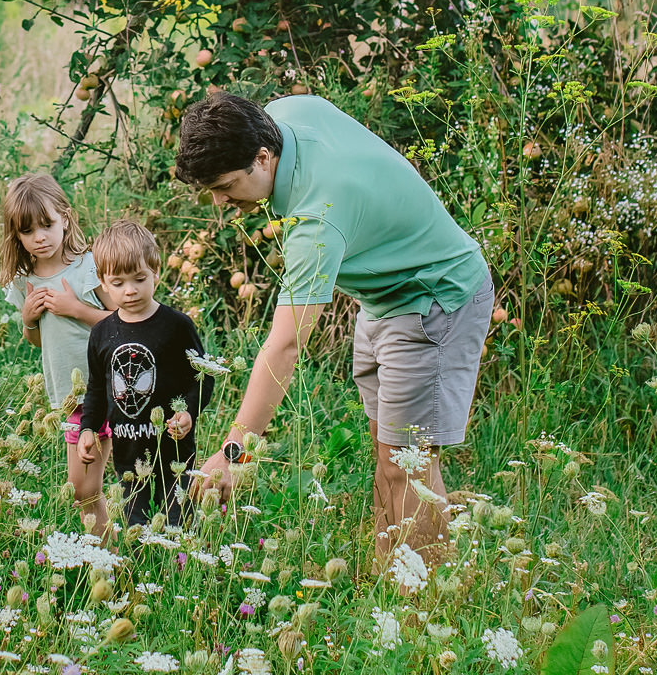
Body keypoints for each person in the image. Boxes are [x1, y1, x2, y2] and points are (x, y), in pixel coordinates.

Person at [175, 91, 493, 568]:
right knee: (389, 454)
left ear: (263, 157)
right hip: (384, 297)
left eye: (225, 185)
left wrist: (234, 453)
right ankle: (392, 572)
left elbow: (285, 346)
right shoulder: (283, 114)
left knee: (408, 465)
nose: (220, 201)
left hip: (433, 300)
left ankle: (425, 604)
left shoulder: (315, 221)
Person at [74, 220, 212, 534]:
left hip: (174, 454)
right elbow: (97, 387)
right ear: (103, 282)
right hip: (128, 458)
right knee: (137, 532)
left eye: (139, 278)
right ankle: (140, 582)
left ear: (156, 272)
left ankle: (177, 578)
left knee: (177, 530)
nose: (131, 290)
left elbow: (202, 378)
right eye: (118, 282)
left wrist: (188, 412)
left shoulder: (176, 326)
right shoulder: (102, 333)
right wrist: (87, 429)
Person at [0, 173, 109, 532]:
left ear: (66, 217)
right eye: (28, 231)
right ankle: (109, 563)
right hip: (69, 398)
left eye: (47, 225)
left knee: (88, 490)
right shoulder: (23, 281)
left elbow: (125, 324)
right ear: (17, 235)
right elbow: (39, 340)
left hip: (108, 392)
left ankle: (113, 561)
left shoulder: (89, 267)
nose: (40, 237)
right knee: (83, 493)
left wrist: (77, 309)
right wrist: (29, 320)